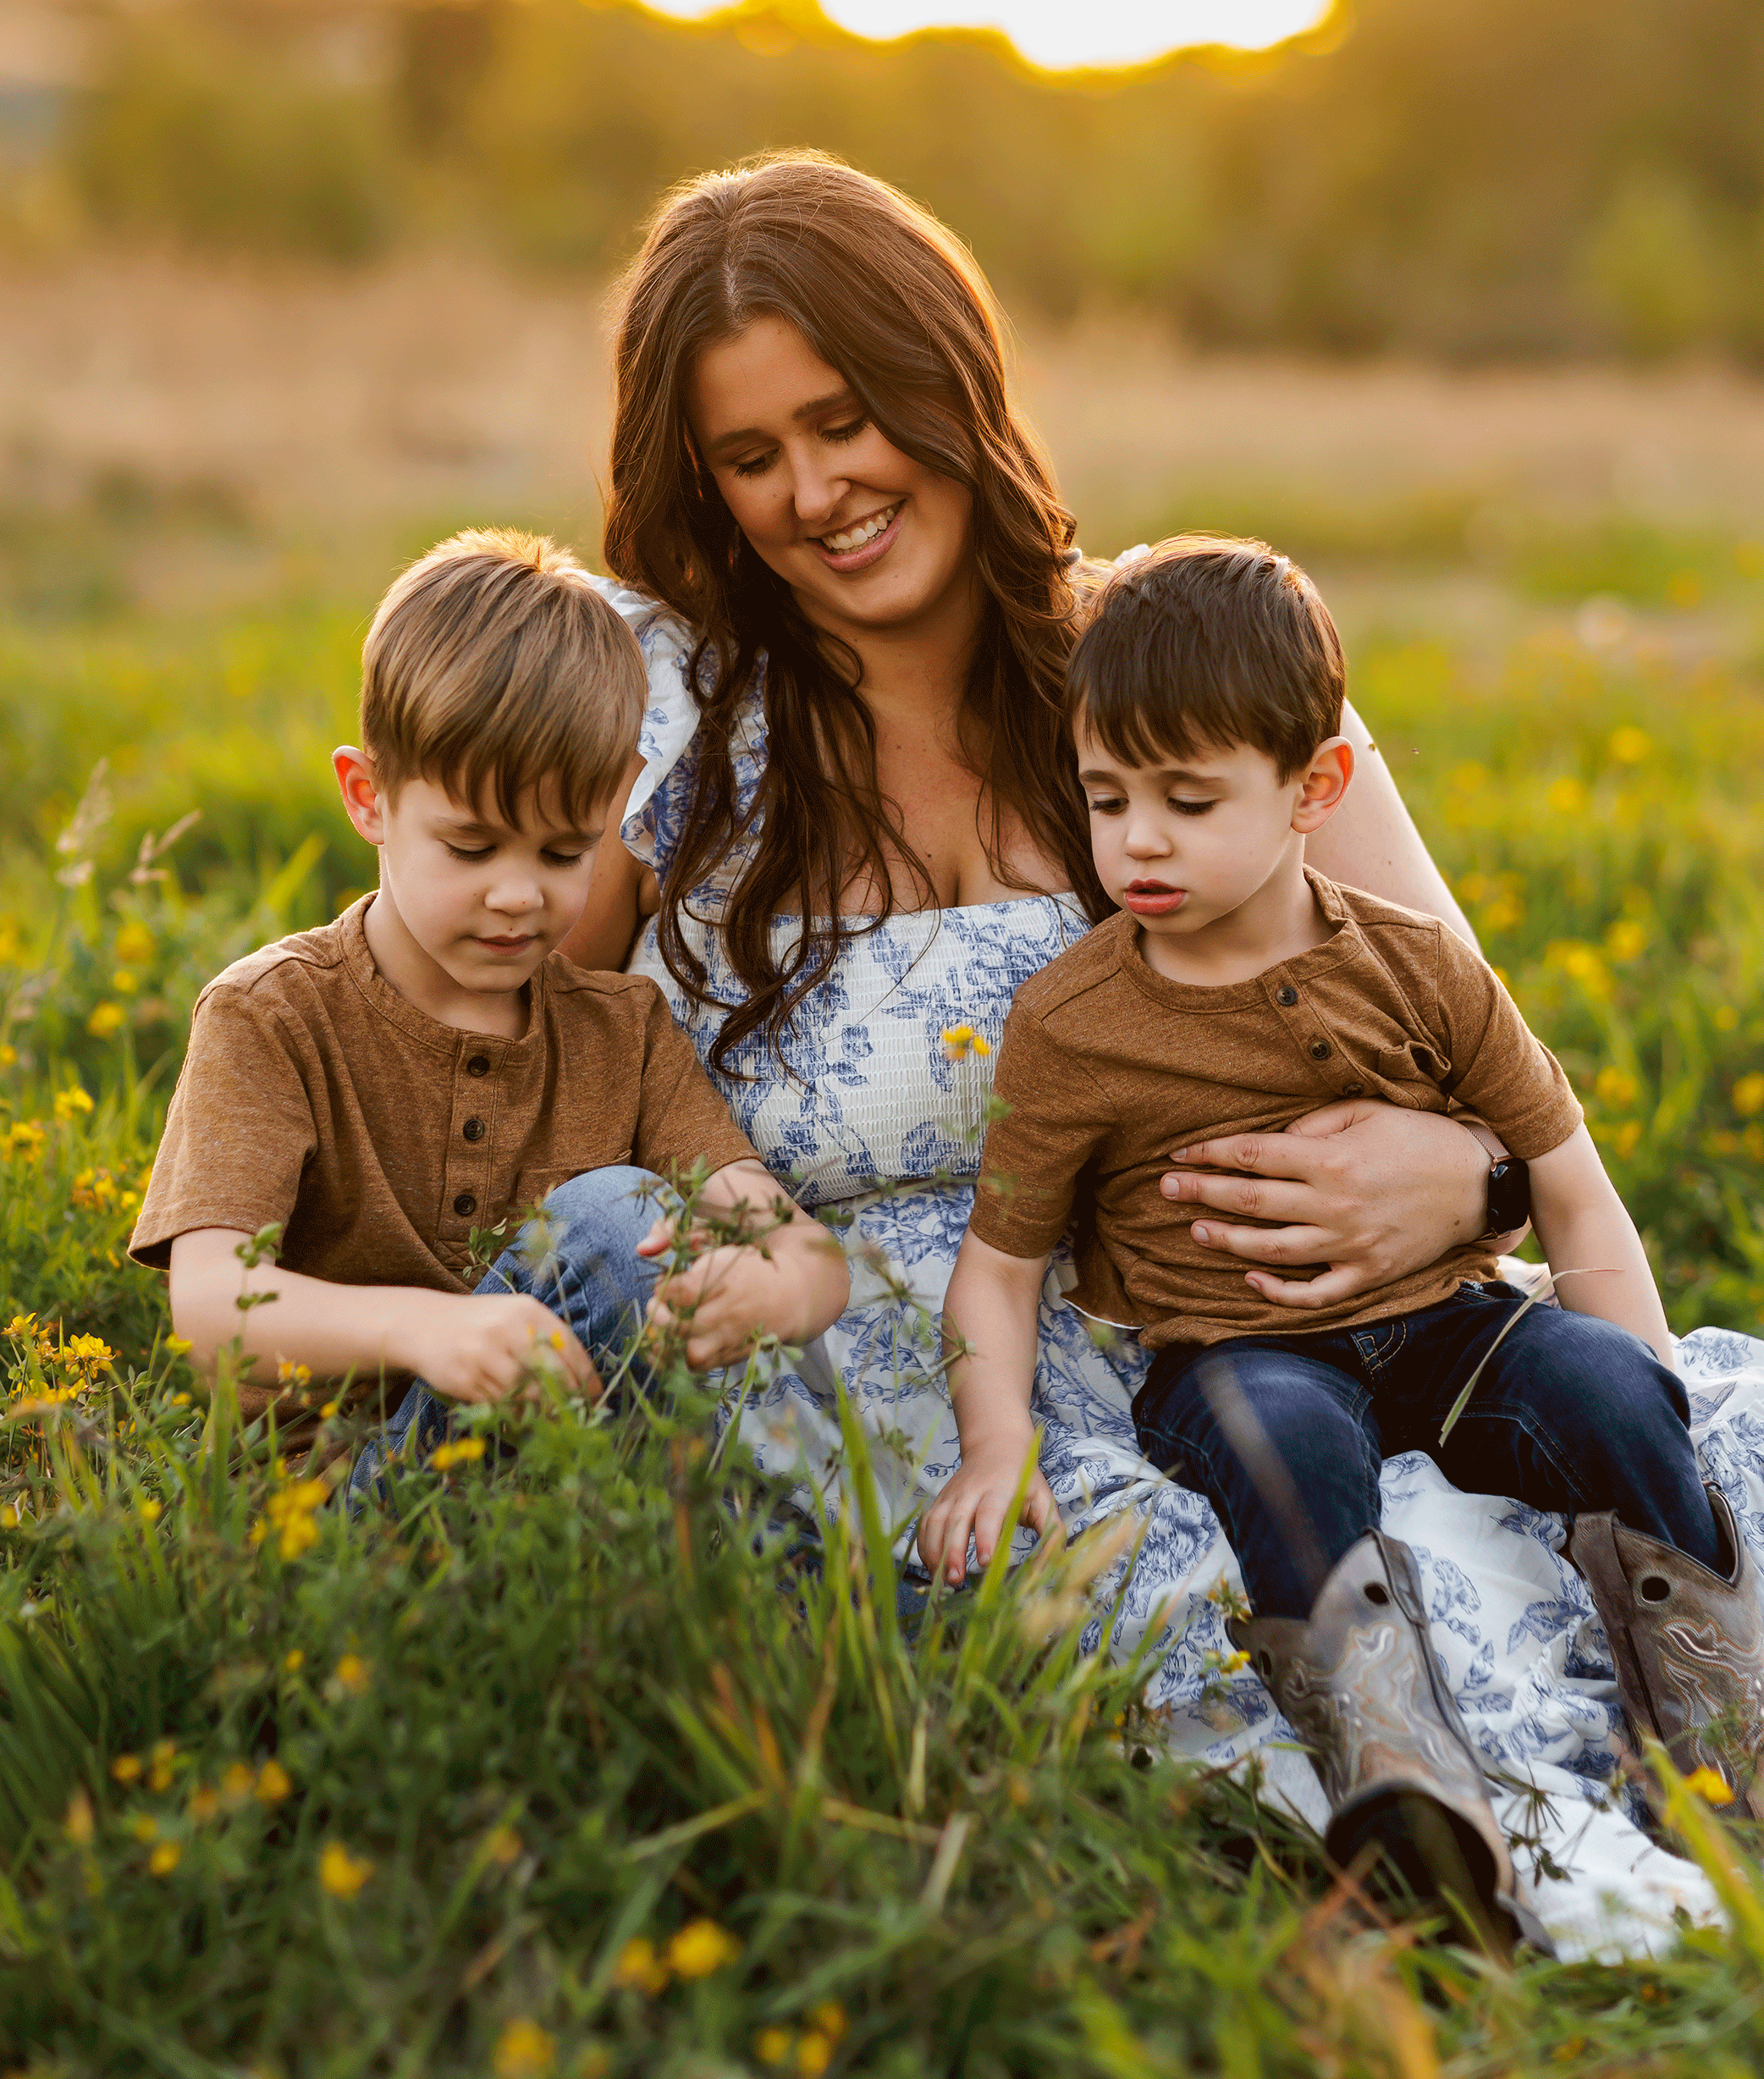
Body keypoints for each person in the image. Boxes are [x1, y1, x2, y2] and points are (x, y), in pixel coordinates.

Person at [918, 537, 1764, 1938]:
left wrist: (1648, 1370)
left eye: (1186, 800)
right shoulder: (1073, 1020)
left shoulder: (1412, 963)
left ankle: (1714, 1718)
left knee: (1604, 1388)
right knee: (1280, 1441)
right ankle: (1402, 1779)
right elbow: (999, 1264)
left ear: (1313, 787)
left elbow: (1557, 1164)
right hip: (1232, 1345)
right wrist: (994, 1439)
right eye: (1104, 794)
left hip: (1444, 1318)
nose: (1134, 839)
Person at [128, 527, 846, 1470]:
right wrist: (424, 1331)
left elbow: (787, 1237)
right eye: (471, 847)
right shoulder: (272, 1014)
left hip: (563, 1501)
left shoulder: (619, 1030)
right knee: (616, 1222)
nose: (519, 894)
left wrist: (784, 1282)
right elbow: (213, 1304)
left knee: (653, 1264)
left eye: (563, 853)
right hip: (337, 1516)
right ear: (368, 796)